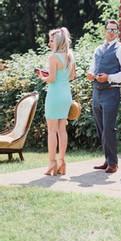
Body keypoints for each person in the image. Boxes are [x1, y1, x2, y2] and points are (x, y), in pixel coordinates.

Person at [87, 19, 121, 173]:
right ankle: (107, 160)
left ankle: (113, 163)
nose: (111, 32)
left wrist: (109, 77)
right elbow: (93, 67)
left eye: (114, 29)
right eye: (109, 29)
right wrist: (91, 74)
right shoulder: (98, 49)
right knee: (100, 128)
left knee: (108, 128)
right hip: (96, 91)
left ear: (118, 32)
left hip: (112, 91)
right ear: (104, 30)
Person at [37, 27, 75, 176]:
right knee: (62, 130)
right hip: (66, 95)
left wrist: (42, 77)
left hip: (54, 95)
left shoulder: (53, 57)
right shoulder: (70, 56)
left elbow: (52, 79)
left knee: (52, 131)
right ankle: (62, 162)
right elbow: (72, 76)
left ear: (58, 41)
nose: (49, 43)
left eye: (51, 40)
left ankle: (52, 163)